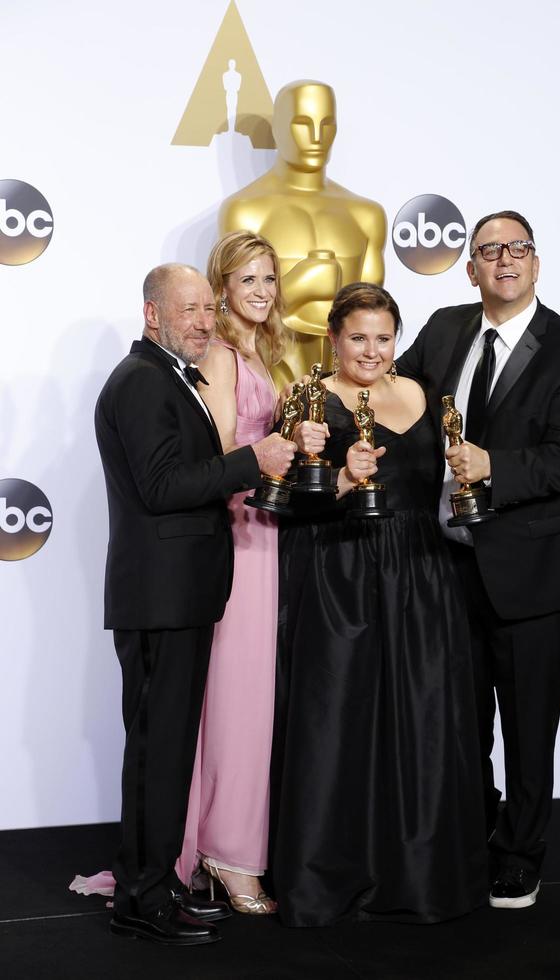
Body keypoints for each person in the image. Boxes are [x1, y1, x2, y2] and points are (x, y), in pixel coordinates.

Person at [397, 210, 560, 909]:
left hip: (536, 574)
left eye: (517, 248)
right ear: (471, 268)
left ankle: (521, 852)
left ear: (537, 263)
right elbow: (397, 402)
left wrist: (492, 466)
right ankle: (474, 830)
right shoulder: (443, 330)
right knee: (458, 719)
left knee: (526, 725)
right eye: (489, 250)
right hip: (450, 567)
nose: (505, 260)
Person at [270, 282, 487, 927]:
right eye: (357, 337)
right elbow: (285, 500)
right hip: (340, 570)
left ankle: (420, 876)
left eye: (383, 337)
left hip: (423, 575)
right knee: (337, 719)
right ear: (333, 338)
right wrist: (339, 476)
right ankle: (328, 880)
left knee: (423, 720)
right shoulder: (309, 402)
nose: (371, 350)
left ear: (399, 339)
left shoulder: (425, 395)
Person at [94, 263, 295, 944]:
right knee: (157, 751)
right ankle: (142, 897)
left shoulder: (169, 377)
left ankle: (157, 884)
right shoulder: (143, 383)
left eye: (210, 309)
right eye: (189, 310)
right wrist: (251, 460)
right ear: (152, 314)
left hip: (176, 595)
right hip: (160, 597)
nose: (204, 322)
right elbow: (160, 486)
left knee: (168, 749)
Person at [177, 231, 287, 914]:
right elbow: (219, 452)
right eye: (249, 280)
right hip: (239, 536)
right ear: (221, 288)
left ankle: (226, 844)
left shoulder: (259, 352)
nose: (263, 292)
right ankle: (226, 852)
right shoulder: (219, 357)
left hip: (264, 534)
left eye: (270, 280)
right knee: (238, 697)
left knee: (247, 695)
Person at [219, 80, 386, 384]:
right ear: (278, 129)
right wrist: (300, 285)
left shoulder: (366, 215)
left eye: (326, 124)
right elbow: (230, 312)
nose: (316, 137)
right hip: (271, 376)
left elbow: (373, 316)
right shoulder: (246, 211)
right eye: (302, 123)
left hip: (348, 384)